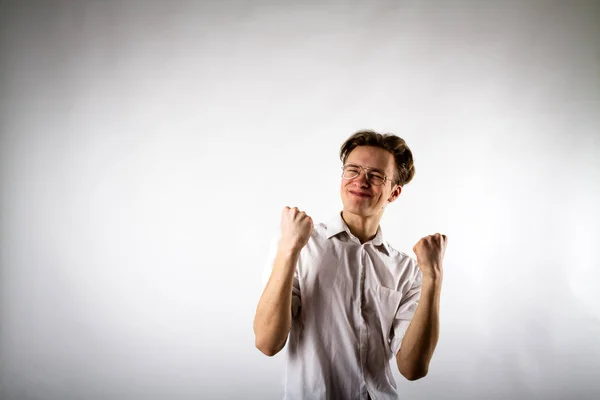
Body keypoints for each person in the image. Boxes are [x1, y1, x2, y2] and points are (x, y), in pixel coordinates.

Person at [253, 130, 447, 400]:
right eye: (352, 170)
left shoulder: (408, 269)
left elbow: (412, 368)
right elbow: (267, 343)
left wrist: (433, 277)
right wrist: (288, 249)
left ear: (394, 193)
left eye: (376, 175)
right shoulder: (299, 244)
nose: (361, 181)